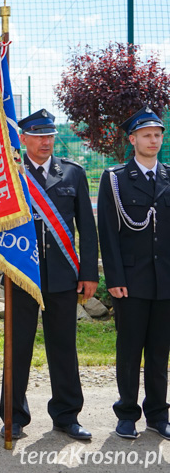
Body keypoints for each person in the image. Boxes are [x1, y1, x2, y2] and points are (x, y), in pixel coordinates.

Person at [0, 110, 98, 441]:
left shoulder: (72, 173)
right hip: (22, 274)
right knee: (17, 346)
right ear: (22, 139)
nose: (45, 141)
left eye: (50, 135)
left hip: (62, 276)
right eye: (38, 135)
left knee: (63, 346)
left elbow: (87, 226)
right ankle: (13, 416)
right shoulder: (10, 175)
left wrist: (88, 273)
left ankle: (67, 415)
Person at [98, 105, 170, 441]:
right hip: (131, 281)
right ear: (133, 140)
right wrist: (114, 279)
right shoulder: (115, 180)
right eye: (146, 135)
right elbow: (108, 233)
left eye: (158, 134)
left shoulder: (169, 177)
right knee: (129, 350)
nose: (153, 140)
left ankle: (157, 414)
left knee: (159, 352)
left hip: (165, 281)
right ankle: (126, 413)